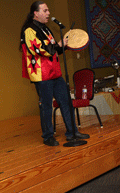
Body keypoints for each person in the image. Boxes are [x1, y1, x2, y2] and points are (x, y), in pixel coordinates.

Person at [20, 1, 89, 146]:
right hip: (41, 75)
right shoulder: (29, 30)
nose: (48, 13)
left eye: (48, 10)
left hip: (55, 73)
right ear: (36, 13)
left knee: (66, 101)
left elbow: (55, 50)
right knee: (46, 106)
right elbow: (40, 50)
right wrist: (59, 44)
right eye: (45, 11)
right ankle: (48, 136)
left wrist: (67, 44)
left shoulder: (46, 29)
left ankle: (72, 132)